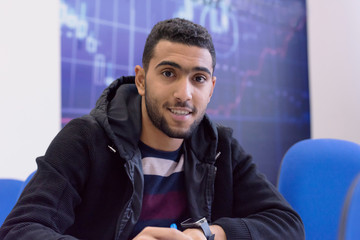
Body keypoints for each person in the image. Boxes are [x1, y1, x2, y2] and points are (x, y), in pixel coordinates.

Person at [0, 18, 304, 240]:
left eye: (198, 78)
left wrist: (208, 235)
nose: (184, 93)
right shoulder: (86, 138)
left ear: (211, 88)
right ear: (142, 80)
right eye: (169, 73)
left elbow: (287, 225)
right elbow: (20, 230)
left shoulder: (219, 146)